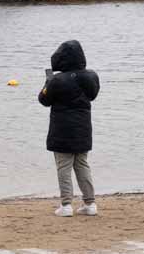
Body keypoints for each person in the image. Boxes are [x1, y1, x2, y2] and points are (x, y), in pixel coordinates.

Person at [38, 40, 100, 217]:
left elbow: (44, 100)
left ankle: (66, 205)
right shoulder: (91, 77)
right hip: (83, 129)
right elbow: (93, 95)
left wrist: (47, 83)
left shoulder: (56, 80)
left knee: (63, 166)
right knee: (82, 165)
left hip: (62, 130)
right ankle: (90, 203)